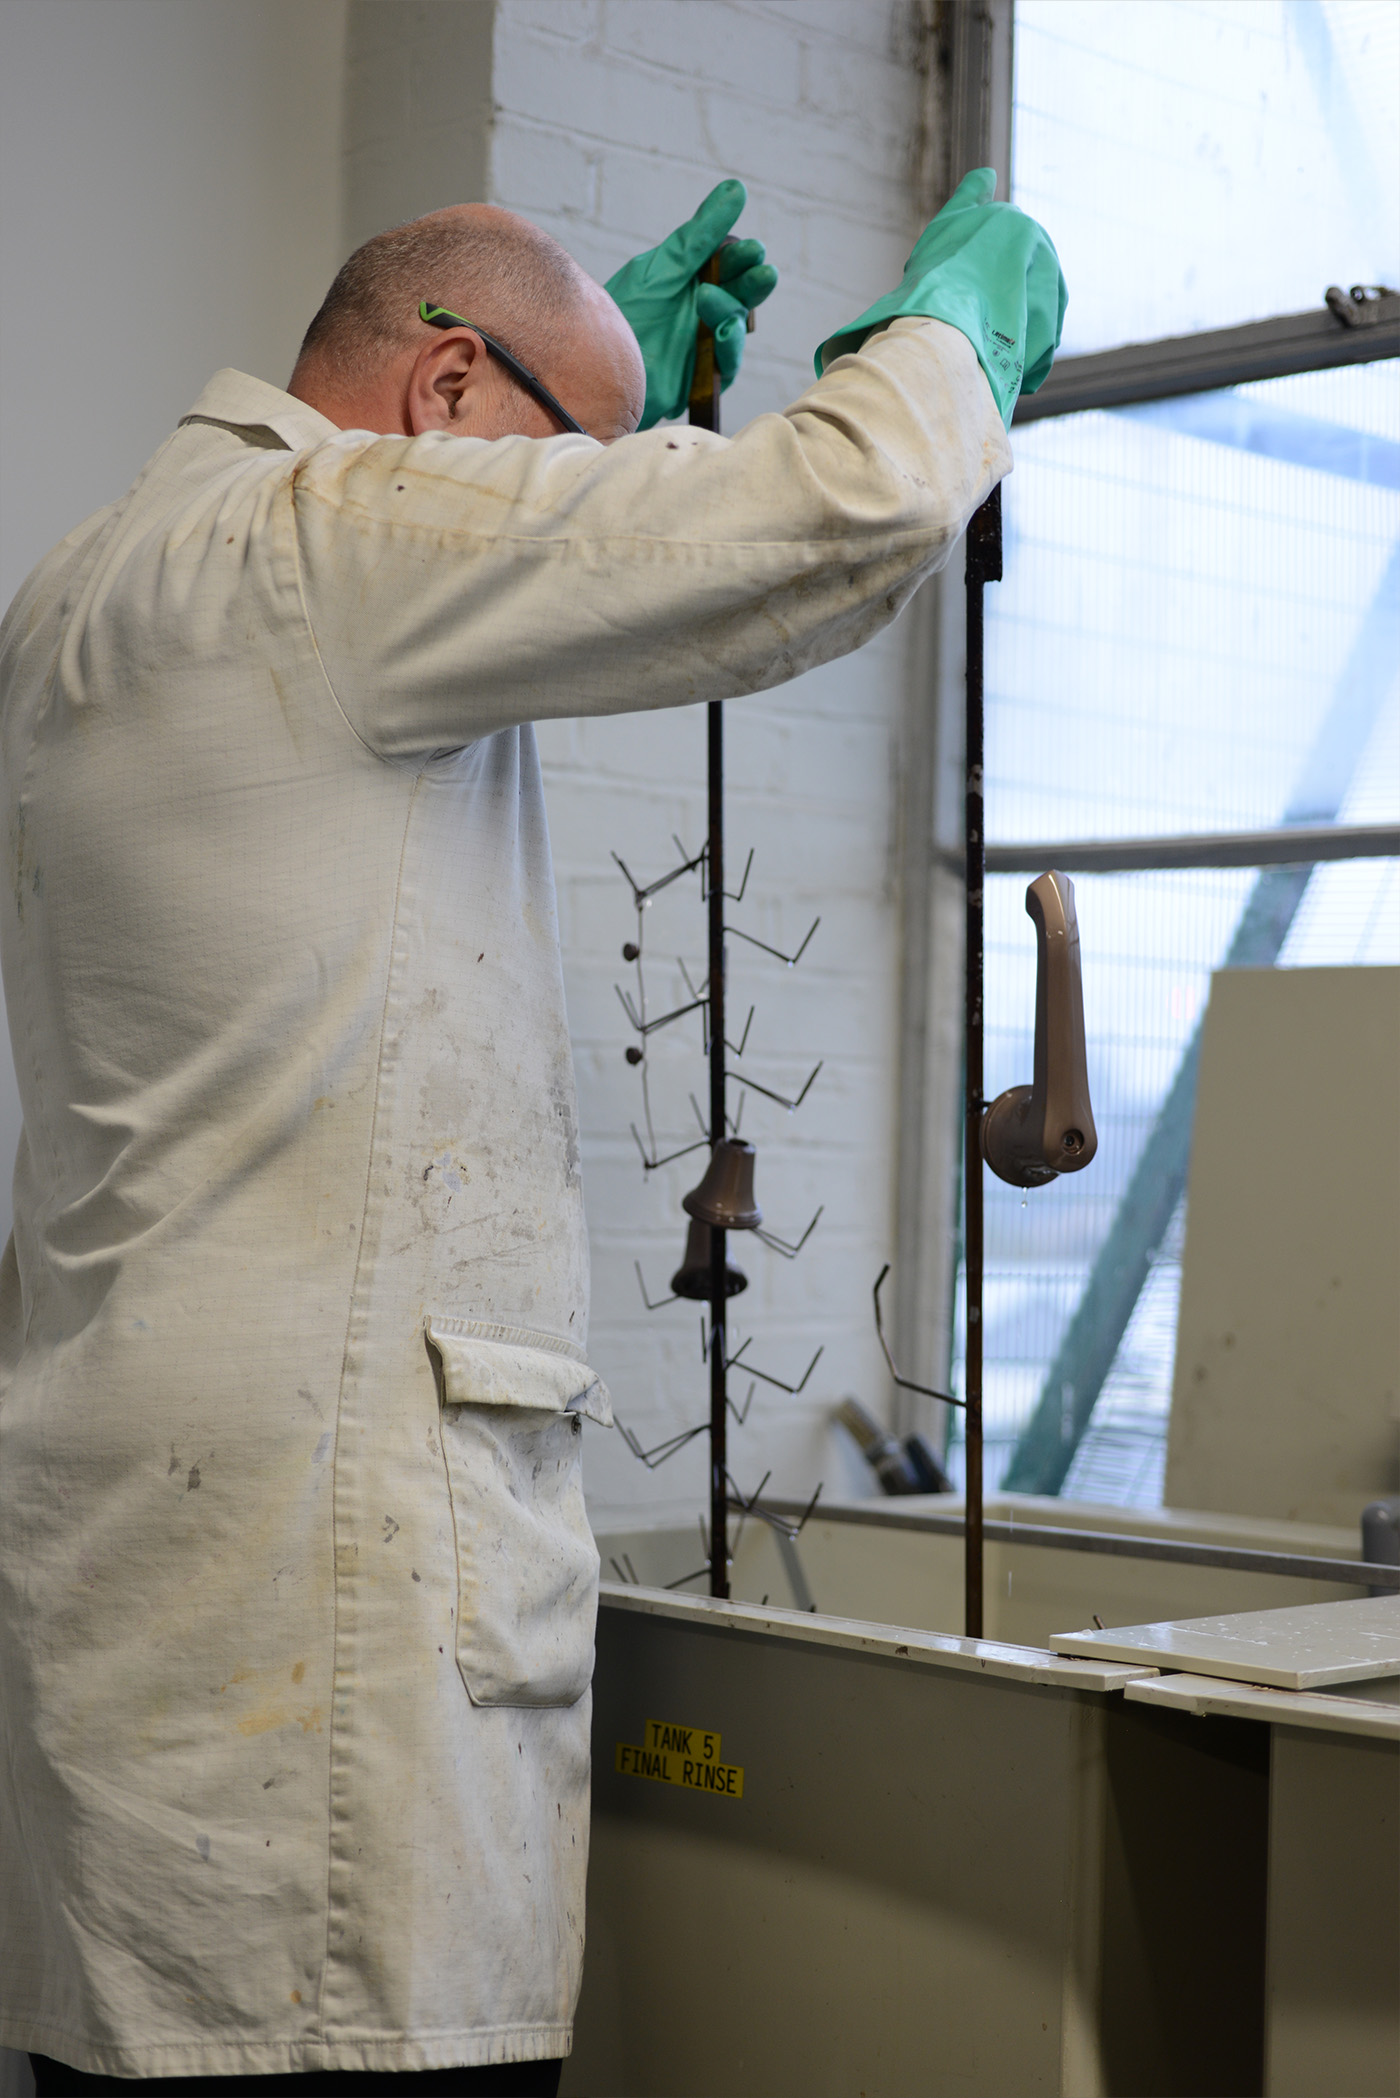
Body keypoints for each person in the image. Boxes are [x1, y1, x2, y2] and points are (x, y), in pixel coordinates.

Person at [0, 173, 1063, 2092]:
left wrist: (611, 390)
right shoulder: (326, 540)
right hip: (333, 1676)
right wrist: (954, 345)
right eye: (570, 453)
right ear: (442, 395)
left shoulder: (96, 580)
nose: (579, 494)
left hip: (157, 1628)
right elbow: (827, 515)